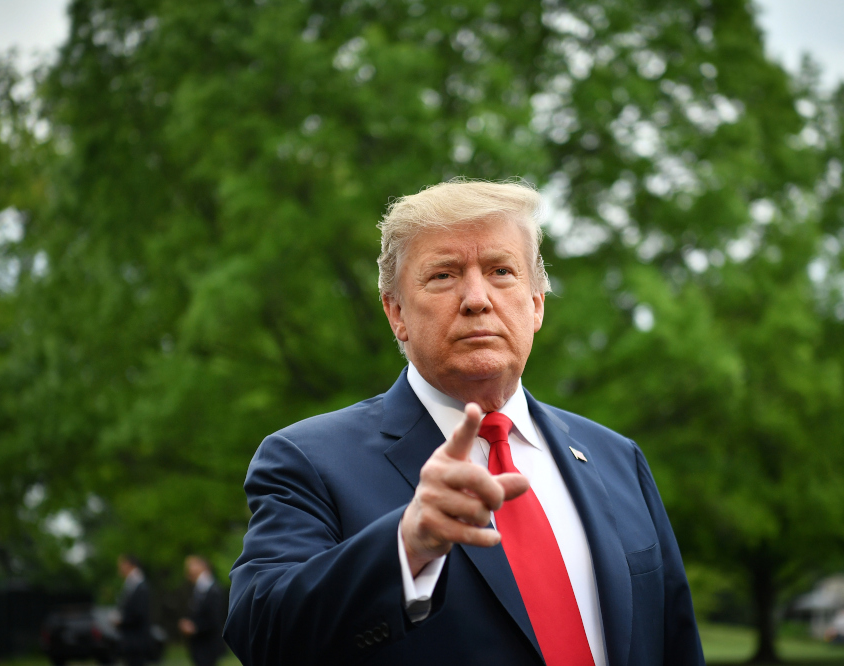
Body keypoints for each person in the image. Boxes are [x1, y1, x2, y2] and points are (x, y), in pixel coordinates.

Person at [224, 180, 705, 665]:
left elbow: (675, 644)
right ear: (396, 313)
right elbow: (262, 633)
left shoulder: (617, 458)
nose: (477, 299)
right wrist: (406, 547)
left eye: (501, 270)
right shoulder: (309, 460)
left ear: (536, 304)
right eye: (443, 275)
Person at [179, 556, 228, 666]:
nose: (188, 570)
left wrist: (195, 627)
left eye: (191, 566)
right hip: (200, 643)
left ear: (202, 567)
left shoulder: (211, 589)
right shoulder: (197, 588)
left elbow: (215, 618)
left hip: (208, 643)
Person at [115, 554, 151, 666]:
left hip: (136, 639)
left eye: (121, 564)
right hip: (131, 639)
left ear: (128, 565)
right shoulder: (131, 584)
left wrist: (122, 620)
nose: (119, 568)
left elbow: (139, 612)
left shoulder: (139, 585)